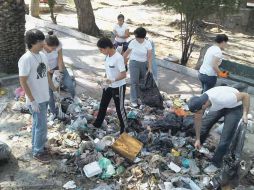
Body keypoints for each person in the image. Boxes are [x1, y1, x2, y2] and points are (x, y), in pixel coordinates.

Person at [18, 29, 60, 163]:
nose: (43, 43)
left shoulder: (42, 55)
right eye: (40, 41)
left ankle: (38, 146)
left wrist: (53, 89)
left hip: (44, 96)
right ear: (32, 43)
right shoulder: (26, 59)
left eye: (43, 40)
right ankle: (37, 152)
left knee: (40, 125)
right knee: (40, 126)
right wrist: (32, 100)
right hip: (36, 99)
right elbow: (23, 81)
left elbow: (47, 74)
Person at [187, 86, 250, 173]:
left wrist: (245, 114)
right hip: (220, 106)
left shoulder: (222, 99)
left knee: (225, 138)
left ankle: (216, 164)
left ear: (204, 104)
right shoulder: (200, 101)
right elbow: (198, 121)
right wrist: (197, 139)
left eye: (199, 111)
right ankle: (197, 148)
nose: (198, 114)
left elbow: (246, 95)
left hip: (235, 107)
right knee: (204, 125)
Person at [93, 37, 128, 134]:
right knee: (103, 105)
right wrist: (103, 81)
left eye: (101, 49)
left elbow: (123, 74)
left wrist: (112, 80)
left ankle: (124, 128)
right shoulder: (107, 56)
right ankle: (97, 124)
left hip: (118, 86)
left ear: (107, 47)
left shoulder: (118, 58)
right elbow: (108, 71)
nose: (100, 51)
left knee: (119, 108)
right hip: (108, 86)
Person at [43, 31, 76, 120]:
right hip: (47, 71)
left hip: (58, 67)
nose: (54, 50)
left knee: (70, 85)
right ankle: (53, 112)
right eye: (52, 48)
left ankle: (75, 103)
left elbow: (60, 58)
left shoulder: (58, 45)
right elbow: (43, 66)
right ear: (45, 44)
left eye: (55, 48)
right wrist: (51, 72)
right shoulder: (41, 49)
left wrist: (60, 71)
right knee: (50, 92)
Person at [123, 27, 152, 107]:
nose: (136, 38)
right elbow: (126, 53)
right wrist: (121, 61)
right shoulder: (133, 42)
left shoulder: (148, 43)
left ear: (142, 37)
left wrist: (150, 67)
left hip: (144, 64)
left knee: (142, 82)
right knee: (134, 82)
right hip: (134, 63)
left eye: (137, 37)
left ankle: (141, 98)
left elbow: (149, 56)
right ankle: (134, 100)